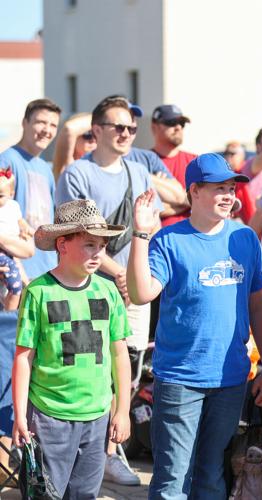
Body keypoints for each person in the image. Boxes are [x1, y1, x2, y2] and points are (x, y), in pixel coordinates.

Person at [127, 153, 262, 499]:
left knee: (211, 476)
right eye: (219, 188)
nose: (229, 195)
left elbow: (259, 306)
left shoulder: (244, 238)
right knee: (173, 480)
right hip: (180, 378)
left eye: (231, 188)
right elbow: (141, 292)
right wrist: (140, 234)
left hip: (231, 378)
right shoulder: (168, 239)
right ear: (194, 191)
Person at [56, 95, 164, 485]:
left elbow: (149, 227)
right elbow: (77, 233)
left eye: (132, 129)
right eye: (118, 127)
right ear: (97, 130)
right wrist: (119, 272)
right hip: (86, 286)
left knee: (129, 368)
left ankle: (109, 448)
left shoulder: (139, 171)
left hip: (130, 288)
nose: (126, 134)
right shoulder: (77, 174)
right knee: (90, 367)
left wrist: (138, 274)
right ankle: (89, 451)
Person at [12, 199, 132, 498]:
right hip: (50, 416)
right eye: (90, 244)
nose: (98, 254)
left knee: (85, 494)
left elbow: (119, 354)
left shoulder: (108, 291)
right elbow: (23, 358)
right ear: (62, 245)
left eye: (102, 246)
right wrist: (19, 414)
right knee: (46, 493)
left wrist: (123, 410)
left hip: (97, 415)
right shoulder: (38, 291)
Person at [51, 104, 189, 222]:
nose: (94, 139)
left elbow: (182, 199)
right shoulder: (71, 169)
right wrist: (108, 113)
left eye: (129, 125)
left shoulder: (142, 163)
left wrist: (141, 176)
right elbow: (70, 128)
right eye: (89, 135)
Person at [0, 98, 61, 281]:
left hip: (47, 270)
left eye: (53, 125)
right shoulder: (7, 162)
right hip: (16, 275)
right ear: (24, 123)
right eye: (41, 122)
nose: (47, 130)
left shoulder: (45, 169)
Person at [150, 104, 198, 227]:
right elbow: (144, 210)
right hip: (155, 240)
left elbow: (203, 202)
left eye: (182, 123)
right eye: (171, 122)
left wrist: (168, 205)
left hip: (192, 238)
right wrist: (186, 203)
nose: (178, 127)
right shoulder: (143, 161)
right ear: (154, 127)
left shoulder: (196, 162)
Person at [0, 169, 35, 310]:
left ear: (11, 194)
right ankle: (9, 316)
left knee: (20, 283)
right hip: (3, 251)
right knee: (16, 284)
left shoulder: (13, 207)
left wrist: (26, 228)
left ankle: (10, 315)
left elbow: (20, 222)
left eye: (1, 196)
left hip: (11, 251)